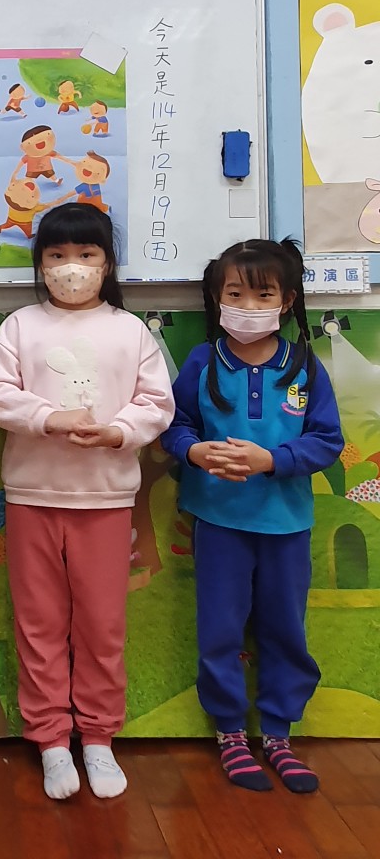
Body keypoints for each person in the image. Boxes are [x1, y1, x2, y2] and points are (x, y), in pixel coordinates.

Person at [0, 204, 174, 801]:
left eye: (86, 254)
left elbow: (156, 403)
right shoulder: (20, 326)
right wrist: (48, 417)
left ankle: (98, 737)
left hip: (106, 500)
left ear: (107, 263)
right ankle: (51, 740)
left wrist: (117, 432)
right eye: (57, 255)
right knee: (39, 624)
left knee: (102, 625)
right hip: (32, 496)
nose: (72, 267)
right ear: (40, 263)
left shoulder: (130, 330)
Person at [160, 239, 343, 794]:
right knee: (220, 629)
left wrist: (273, 460)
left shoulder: (305, 366)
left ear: (286, 301)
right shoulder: (202, 361)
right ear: (217, 298)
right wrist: (194, 451)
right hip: (219, 524)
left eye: (263, 295)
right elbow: (174, 425)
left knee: (284, 629)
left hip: (286, 525)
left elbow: (327, 440)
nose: (247, 305)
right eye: (235, 293)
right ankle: (231, 732)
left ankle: (279, 734)